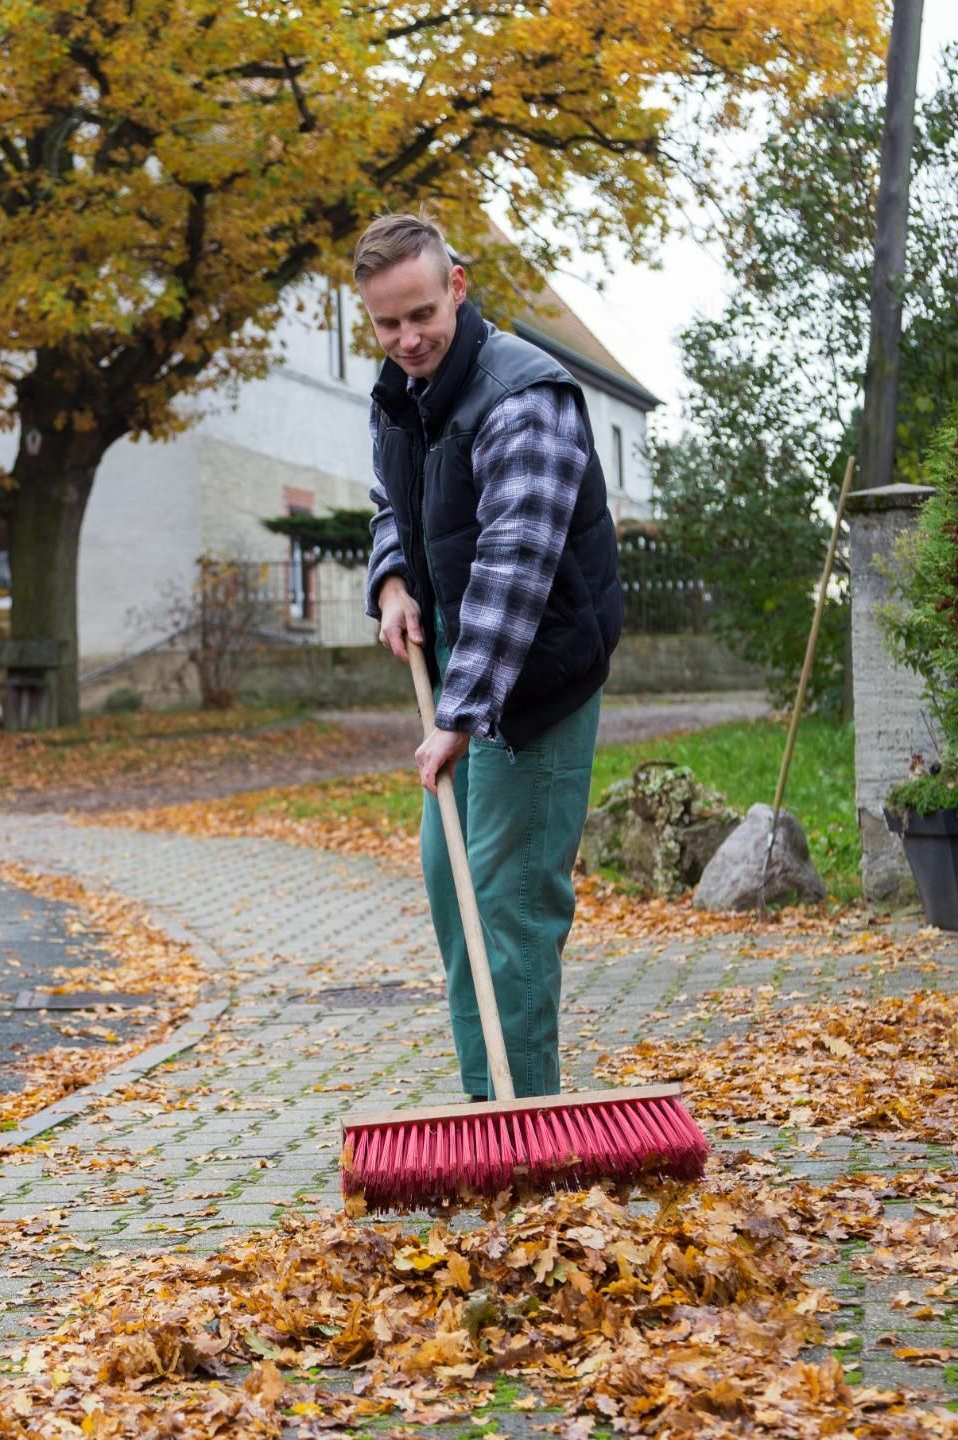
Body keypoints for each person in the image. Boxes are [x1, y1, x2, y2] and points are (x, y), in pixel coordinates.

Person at [356, 213, 623, 1102]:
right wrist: (392, 581)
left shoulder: (523, 399)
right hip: (467, 681)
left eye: (422, 314)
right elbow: (390, 502)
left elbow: (515, 569)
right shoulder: (400, 390)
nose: (408, 339)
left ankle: (528, 1113)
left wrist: (460, 717)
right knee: (452, 884)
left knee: (507, 904)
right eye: (387, 324)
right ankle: (487, 1104)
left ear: (458, 287)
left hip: (536, 682)